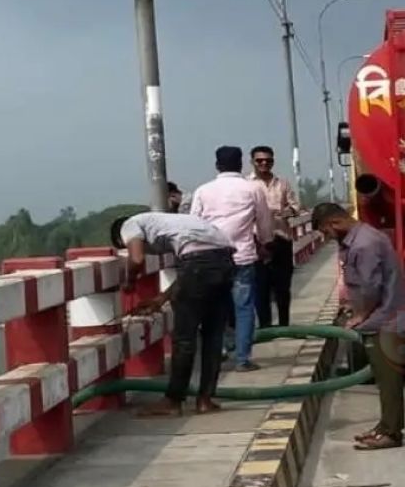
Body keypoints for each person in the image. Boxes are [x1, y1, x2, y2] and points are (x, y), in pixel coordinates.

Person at [111, 211, 234, 416]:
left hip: (199, 262)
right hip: (225, 259)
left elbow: (137, 259)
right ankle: (205, 400)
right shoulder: (173, 223)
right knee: (213, 335)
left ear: (119, 238)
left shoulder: (129, 224)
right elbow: (192, 273)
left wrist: (129, 280)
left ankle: (173, 401)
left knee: (185, 338)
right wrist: (161, 299)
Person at [312, 202, 405, 451]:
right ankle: (384, 427)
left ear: (334, 223)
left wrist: (359, 315)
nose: (327, 237)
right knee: (382, 376)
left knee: (388, 380)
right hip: (381, 316)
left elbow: (369, 287)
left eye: (325, 232)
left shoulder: (364, 244)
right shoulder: (362, 237)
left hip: (384, 318)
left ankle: (392, 433)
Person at [190, 146, 274, 372]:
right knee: (244, 308)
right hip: (242, 256)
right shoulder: (253, 188)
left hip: (211, 257)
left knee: (214, 307)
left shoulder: (203, 191)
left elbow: (194, 225)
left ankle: (219, 351)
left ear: (217, 166)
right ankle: (243, 358)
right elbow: (265, 225)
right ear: (241, 165)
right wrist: (266, 245)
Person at [248, 146, 300, 327]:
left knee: (283, 286)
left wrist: (287, 212)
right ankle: (265, 326)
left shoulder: (282, 183)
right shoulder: (247, 185)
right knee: (260, 286)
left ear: (273, 162)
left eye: (268, 160)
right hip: (258, 242)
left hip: (281, 238)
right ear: (252, 162)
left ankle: (284, 324)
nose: (264, 163)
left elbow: (295, 207)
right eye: (259, 160)